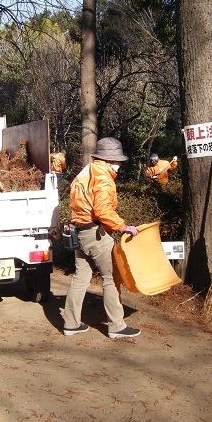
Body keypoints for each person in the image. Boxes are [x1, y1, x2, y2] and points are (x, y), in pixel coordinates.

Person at [63, 137, 141, 339]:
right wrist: (124, 227)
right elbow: (103, 210)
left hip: (79, 230)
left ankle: (70, 324)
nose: (120, 166)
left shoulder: (85, 172)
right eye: (118, 162)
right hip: (96, 234)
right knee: (111, 278)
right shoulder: (104, 179)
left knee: (80, 279)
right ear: (110, 161)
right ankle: (116, 326)